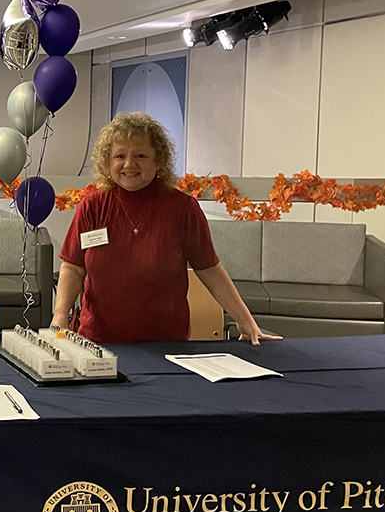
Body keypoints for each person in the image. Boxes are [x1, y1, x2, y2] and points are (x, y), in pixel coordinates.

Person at [53, 112, 280, 345]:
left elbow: (209, 269)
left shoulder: (182, 209)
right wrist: (60, 317)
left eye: (140, 155)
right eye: (119, 156)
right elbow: (73, 267)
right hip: (97, 341)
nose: (129, 164)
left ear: (158, 160)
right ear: (107, 161)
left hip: (165, 343)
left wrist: (244, 319)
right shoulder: (93, 206)